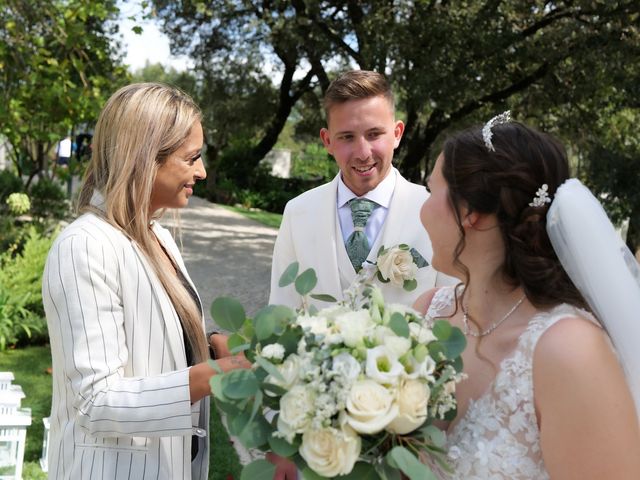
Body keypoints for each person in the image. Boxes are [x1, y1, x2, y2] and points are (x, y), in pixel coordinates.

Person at [42, 83, 250, 480]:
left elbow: (151, 338)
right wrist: (224, 372)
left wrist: (209, 347)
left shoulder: (157, 235)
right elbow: (97, 401)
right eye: (192, 158)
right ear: (145, 159)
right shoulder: (85, 247)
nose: (202, 172)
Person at [414, 113, 640, 479]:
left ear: (472, 213)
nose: (421, 208)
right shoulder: (426, 314)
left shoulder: (569, 351)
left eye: (430, 190)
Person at [270, 70, 443, 310]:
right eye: (347, 137)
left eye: (374, 134)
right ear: (327, 140)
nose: (363, 153)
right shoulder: (297, 212)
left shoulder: (438, 211)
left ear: (397, 134)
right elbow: (281, 313)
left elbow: (454, 320)